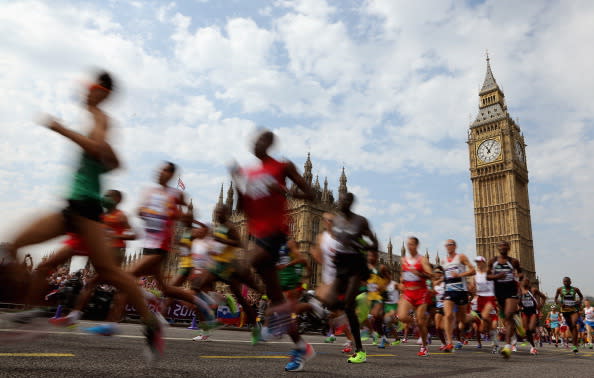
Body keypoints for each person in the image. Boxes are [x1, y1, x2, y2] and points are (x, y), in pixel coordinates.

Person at [0, 71, 163, 358]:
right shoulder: (95, 118)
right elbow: (109, 159)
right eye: (86, 86)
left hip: (85, 206)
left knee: (111, 273)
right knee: (12, 246)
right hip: (73, 205)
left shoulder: (100, 118)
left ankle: (151, 324)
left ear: (103, 93)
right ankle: (36, 311)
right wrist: (109, 161)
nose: (86, 91)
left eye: (92, 87)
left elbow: (97, 148)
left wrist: (60, 129)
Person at [232, 130, 315, 372]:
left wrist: (285, 192)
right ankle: (300, 346)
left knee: (238, 268)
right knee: (277, 303)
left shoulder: (282, 166)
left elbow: (309, 194)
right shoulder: (250, 172)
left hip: (275, 234)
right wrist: (238, 184)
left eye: (261, 139)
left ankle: (264, 325)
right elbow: (241, 208)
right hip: (257, 236)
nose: (256, 142)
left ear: (269, 143)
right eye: (254, 139)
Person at [50, 189, 136, 328]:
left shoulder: (121, 216)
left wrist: (116, 236)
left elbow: (134, 235)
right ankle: (78, 316)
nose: (105, 198)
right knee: (99, 284)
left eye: (109, 196)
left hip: (116, 252)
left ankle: (87, 318)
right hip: (104, 252)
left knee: (113, 285)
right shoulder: (102, 216)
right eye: (105, 195)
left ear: (117, 199)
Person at [189, 204, 261, 344]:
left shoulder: (230, 226)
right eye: (215, 211)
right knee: (197, 287)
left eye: (219, 212)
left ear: (226, 214)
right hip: (217, 265)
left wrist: (223, 240)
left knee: (241, 300)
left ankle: (255, 325)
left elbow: (240, 243)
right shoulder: (219, 227)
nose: (216, 214)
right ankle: (211, 321)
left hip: (228, 267)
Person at [397, 237, 433, 357]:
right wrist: (401, 283)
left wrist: (420, 273)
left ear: (417, 245)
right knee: (401, 316)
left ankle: (424, 346)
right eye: (408, 244)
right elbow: (403, 275)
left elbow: (430, 274)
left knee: (421, 321)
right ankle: (417, 323)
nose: (409, 246)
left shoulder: (422, 260)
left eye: (412, 244)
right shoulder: (403, 260)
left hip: (421, 292)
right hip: (408, 292)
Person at [487, 241, 522, 359]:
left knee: (508, 315)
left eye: (505, 245)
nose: (503, 247)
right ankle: (515, 323)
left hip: (511, 291)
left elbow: (521, 273)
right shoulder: (492, 261)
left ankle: (507, 346)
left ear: (509, 247)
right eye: (501, 246)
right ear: (497, 248)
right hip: (499, 292)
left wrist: (519, 280)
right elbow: (486, 276)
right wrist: (497, 276)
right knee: (507, 319)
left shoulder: (514, 261)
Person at [441, 239, 475, 351]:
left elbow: (473, 270)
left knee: (462, 319)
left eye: (450, 244)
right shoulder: (443, 261)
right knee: (448, 315)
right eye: (446, 245)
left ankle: (472, 317)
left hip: (461, 291)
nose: (448, 246)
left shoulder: (461, 257)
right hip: (448, 291)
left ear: (455, 246)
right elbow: (444, 277)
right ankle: (449, 342)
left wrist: (460, 275)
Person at [472, 256, 498, 353]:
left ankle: (496, 345)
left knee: (489, 321)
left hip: (490, 299)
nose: (478, 264)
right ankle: (495, 344)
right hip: (481, 300)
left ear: (484, 262)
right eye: (476, 262)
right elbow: (473, 287)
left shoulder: (490, 272)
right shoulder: (476, 275)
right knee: (482, 329)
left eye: (479, 262)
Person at [366, 250, 390, 348]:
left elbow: (387, 279)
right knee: (377, 322)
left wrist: (382, 286)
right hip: (369, 298)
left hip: (378, 298)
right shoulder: (366, 270)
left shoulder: (379, 270)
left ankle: (373, 334)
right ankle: (383, 338)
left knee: (374, 318)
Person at [554, 277, 584, 354]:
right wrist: (560, 304)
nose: (565, 282)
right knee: (571, 327)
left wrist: (579, 302)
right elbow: (555, 299)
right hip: (565, 311)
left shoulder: (575, 289)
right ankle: (575, 343)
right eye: (564, 281)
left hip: (574, 310)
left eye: (567, 281)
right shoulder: (559, 289)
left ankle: (575, 345)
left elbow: (581, 297)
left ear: (570, 282)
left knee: (573, 325)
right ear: (563, 282)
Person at [519, 278, 539, 355]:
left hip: (533, 312)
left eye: (526, 282)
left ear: (529, 283)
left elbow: (543, 297)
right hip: (524, 312)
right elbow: (518, 301)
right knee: (527, 330)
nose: (525, 283)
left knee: (530, 329)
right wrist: (519, 306)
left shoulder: (533, 290)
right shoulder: (520, 291)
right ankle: (533, 347)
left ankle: (535, 335)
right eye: (523, 282)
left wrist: (540, 305)